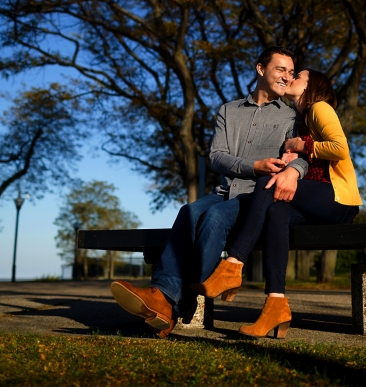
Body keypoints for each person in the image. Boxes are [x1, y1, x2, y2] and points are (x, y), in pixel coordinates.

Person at [109, 47, 308, 338]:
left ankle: (169, 302)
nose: (286, 77)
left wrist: (294, 170)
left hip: (257, 197)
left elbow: (304, 156)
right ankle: (166, 301)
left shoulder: (291, 117)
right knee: (188, 211)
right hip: (225, 191)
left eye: (291, 72)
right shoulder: (229, 110)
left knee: (214, 217)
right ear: (260, 69)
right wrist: (255, 164)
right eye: (281, 69)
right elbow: (216, 156)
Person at [191, 68, 362, 339]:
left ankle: (233, 264)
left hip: (337, 200)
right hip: (313, 200)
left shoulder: (319, 107)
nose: (291, 79)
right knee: (277, 213)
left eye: (299, 77)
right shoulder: (301, 118)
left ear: (311, 86)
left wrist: (302, 144)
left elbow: (340, 148)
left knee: (264, 184)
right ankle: (276, 304)